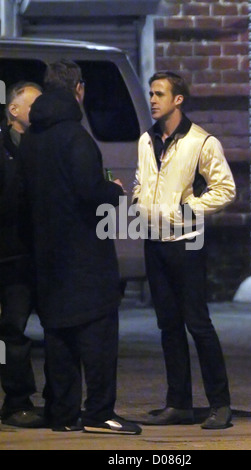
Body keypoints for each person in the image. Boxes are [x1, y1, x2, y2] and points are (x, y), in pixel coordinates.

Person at [19, 60, 141, 435]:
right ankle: (100, 412)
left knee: (58, 338)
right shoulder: (76, 136)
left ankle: (64, 414)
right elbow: (89, 191)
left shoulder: (31, 139)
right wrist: (115, 190)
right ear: (79, 90)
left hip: (46, 257)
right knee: (99, 333)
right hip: (85, 257)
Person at [133, 71, 236, 430]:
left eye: (160, 93)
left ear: (179, 99)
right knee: (168, 325)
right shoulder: (146, 141)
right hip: (154, 241)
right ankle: (178, 403)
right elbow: (141, 181)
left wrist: (184, 212)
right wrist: (138, 202)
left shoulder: (201, 141)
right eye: (150, 93)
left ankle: (220, 405)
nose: (153, 99)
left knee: (198, 324)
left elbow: (225, 189)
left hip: (187, 243)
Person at [0, 82, 44, 428]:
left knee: (27, 329)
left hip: (34, 253)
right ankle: (17, 403)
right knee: (12, 331)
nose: (40, 111)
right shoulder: (5, 147)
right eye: (33, 105)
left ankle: (34, 401)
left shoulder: (41, 144)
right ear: (14, 111)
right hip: (9, 253)